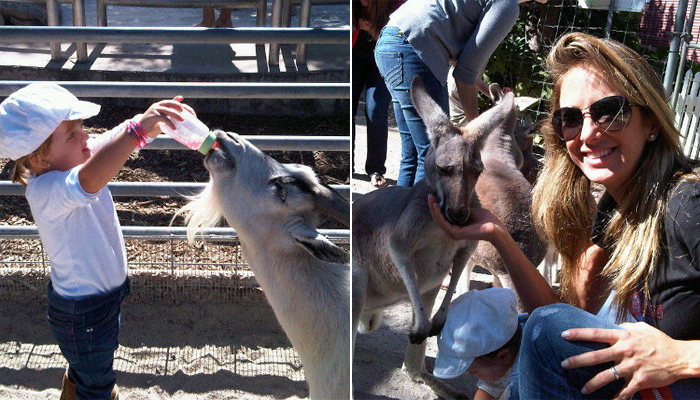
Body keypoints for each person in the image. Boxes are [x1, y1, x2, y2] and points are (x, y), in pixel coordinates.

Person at [428, 31, 700, 399]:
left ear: (651, 122)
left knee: (537, 330)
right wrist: (494, 232)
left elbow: (550, 330)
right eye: (570, 118)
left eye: (611, 111)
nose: (587, 133)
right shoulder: (616, 207)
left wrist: (685, 355)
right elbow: (563, 330)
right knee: (520, 328)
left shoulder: (688, 204)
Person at [0, 82, 193, 400]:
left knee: (88, 367)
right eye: (72, 134)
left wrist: (150, 122)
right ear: (38, 159)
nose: (85, 137)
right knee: (99, 386)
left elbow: (111, 145)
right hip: (83, 312)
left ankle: (75, 387)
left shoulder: (78, 161)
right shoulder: (48, 191)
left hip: (98, 303)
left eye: (82, 128)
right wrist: (136, 130)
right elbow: (91, 177)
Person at [374, 0, 538, 187]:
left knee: (413, 153)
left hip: (391, 42)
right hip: (415, 50)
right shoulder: (507, 5)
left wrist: (488, 91)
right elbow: (464, 74)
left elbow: (460, 62)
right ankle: (425, 215)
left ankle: (398, 215)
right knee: (435, 155)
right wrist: (478, 135)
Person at [433, 287, 524, 400]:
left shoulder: (526, 379)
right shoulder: (509, 331)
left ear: (504, 356)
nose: (471, 375)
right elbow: (490, 387)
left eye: (474, 371)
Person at [352, 0, 400, 187]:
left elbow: (396, 39)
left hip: (382, 56)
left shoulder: (394, 4)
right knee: (349, 108)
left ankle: (376, 168)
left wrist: (371, 29)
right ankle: (349, 166)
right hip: (354, 56)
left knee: (376, 110)